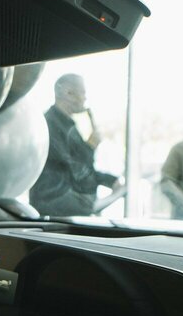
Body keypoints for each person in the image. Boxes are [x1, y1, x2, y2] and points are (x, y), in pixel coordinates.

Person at [29, 74, 120, 217]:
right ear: (68, 93)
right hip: (55, 205)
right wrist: (91, 146)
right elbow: (77, 171)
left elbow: (81, 166)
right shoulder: (50, 124)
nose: (85, 98)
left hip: (62, 203)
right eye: (82, 92)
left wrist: (112, 181)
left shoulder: (67, 125)